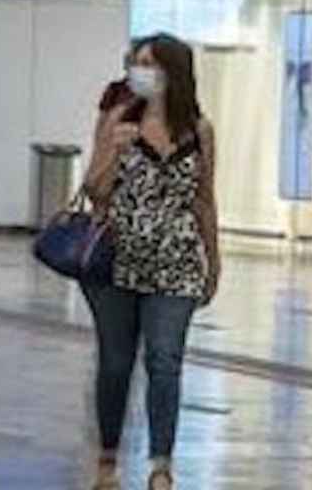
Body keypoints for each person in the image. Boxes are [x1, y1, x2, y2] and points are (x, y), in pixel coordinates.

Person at [81, 34, 220, 490]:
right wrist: (114, 150)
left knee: (165, 360)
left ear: (172, 72)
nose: (138, 72)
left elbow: (204, 199)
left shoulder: (199, 131)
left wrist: (213, 259)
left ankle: (161, 464)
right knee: (117, 362)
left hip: (176, 261)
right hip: (117, 261)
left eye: (148, 64)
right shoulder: (120, 119)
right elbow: (95, 191)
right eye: (135, 63)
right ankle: (107, 456)